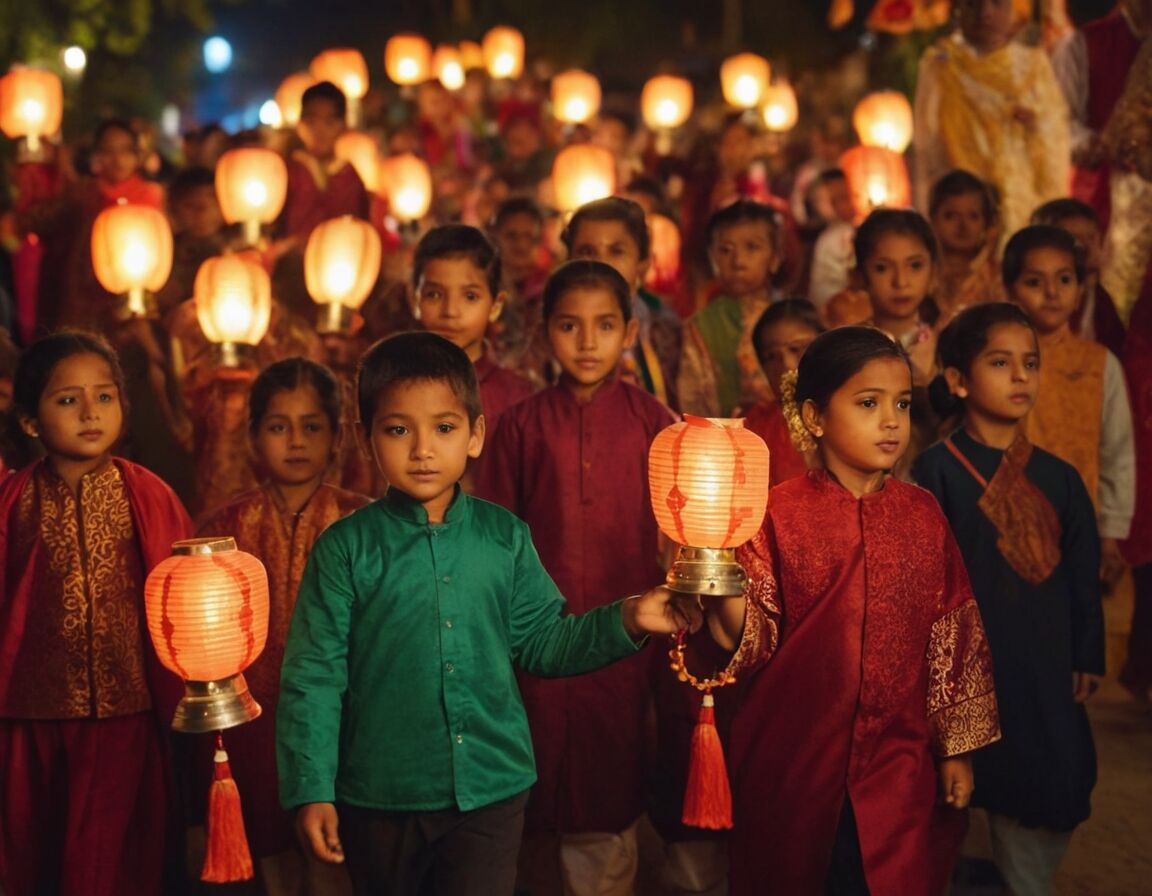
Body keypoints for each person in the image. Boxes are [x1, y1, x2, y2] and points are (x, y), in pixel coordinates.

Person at [276, 331, 695, 896]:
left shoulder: (504, 538)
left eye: (444, 428)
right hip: (380, 792)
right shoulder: (346, 549)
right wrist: (312, 788)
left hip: (492, 787)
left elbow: (544, 642)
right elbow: (314, 677)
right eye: (398, 429)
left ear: (475, 435)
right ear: (365, 437)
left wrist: (629, 618)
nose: (423, 449)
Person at [689, 326, 999, 894]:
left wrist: (956, 751)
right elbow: (752, 635)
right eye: (867, 403)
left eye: (902, 404)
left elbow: (953, 633)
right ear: (813, 415)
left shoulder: (923, 515)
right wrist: (715, 575)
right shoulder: (775, 514)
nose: (890, 421)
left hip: (898, 761)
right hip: (794, 758)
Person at [475, 261, 675, 896]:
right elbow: (496, 536)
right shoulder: (519, 426)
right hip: (534, 642)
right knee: (527, 800)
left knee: (609, 796)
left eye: (604, 325)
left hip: (629, 639)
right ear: (544, 333)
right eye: (569, 325)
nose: (587, 342)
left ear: (631, 333)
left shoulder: (656, 423)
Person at [914, 303, 1104, 894]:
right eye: (1001, 363)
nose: (1021, 376)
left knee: (1040, 789)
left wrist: (1086, 654)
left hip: (1043, 666)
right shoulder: (935, 471)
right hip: (966, 665)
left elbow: (1081, 571)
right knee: (955, 810)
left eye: (1030, 363)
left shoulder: (1061, 477)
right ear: (958, 380)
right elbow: (921, 579)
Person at [0, 330, 193, 895]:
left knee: (108, 869)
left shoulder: (149, 494)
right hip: (30, 720)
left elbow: (182, 601)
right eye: (68, 400)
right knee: (31, 861)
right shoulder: (14, 501)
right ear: (31, 421)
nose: (90, 412)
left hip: (124, 718)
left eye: (104, 397)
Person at [196, 358, 369, 895]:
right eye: (278, 426)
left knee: (336, 865)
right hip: (255, 728)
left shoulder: (364, 522)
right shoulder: (224, 530)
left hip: (346, 726)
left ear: (337, 437)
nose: (295, 441)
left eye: (311, 426)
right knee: (274, 869)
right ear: (253, 437)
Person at [1005, 226, 1135, 588]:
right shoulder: (994, 363)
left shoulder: (1099, 364)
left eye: (1064, 279)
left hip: (1079, 523)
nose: (1051, 293)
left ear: (1080, 290)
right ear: (1011, 291)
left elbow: (1117, 451)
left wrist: (1110, 536)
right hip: (1006, 524)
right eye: (1035, 282)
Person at [913, 0, 1069, 241]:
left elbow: (1057, 140)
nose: (985, 13)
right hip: (960, 211)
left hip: (1021, 208)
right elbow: (927, 149)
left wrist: (1035, 127)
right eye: (974, 4)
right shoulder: (941, 66)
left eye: (997, 4)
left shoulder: (1033, 66)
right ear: (958, 10)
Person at [414, 224, 534, 440]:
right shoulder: (394, 386)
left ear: (496, 305)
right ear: (415, 299)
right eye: (434, 295)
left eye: (470, 296)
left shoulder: (517, 395)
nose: (450, 311)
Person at [562, 197, 682, 410]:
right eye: (587, 251)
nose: (601, 263)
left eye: (617, 251)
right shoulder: (548, 328)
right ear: (569, 260)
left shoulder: (666, 329)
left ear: (643, 263)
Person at [678, 200, 780, 416]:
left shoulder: (789, 318)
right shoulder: (701, 326)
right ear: (713, 256)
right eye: (725, 250)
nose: (738, 260)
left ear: (774, 258)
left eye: (752, 247)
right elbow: (691, 398)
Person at [1030, 198, 1127, 358]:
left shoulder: (1099, 300)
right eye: (1073, 239)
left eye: (1091, 238)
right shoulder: (1030, 300)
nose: (1086, 247)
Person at [741, 299, 823, 487]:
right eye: (771, 357)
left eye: (796, 349)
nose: (786, 365)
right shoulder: (756, 428)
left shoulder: (853, 414)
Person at [279, 81, 370, 245]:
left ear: (343, 126)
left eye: (329, 123)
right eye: (312, 121)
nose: (320, 131)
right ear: (300, 124)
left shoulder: (350, 176)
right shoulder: (284, 172)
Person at [928, 169, 1006, 320]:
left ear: (987, 221)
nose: (963, 226)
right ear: (933, 218)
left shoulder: (998, 276)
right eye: (951, 216)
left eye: (973, 216)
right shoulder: (923, 273)